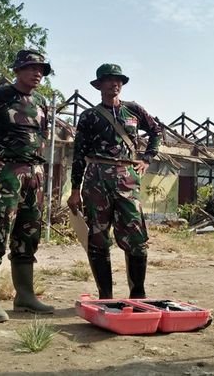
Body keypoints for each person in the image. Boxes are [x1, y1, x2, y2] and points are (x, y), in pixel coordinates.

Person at [67, 64, 162, 300]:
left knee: (137, 238)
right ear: (99, 85)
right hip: (96, 178)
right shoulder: (89, 116)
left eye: (118, 80)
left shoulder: (134, 110)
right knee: (98, 239)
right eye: (109, 80)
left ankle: (138, 294)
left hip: (127, 178)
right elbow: (78, 154)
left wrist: (147, 159)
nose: (115, 84)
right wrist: (75, 190)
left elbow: (156, 132)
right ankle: (105, 296)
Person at [0, 49, 55, 322]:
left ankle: (25, 296)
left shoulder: (42, 101)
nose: (37, 74)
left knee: (28, 234)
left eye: (42, 70)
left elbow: (41, 136)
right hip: (5, 174)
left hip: (35, 175)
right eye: (32, 68)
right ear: (18, 69)